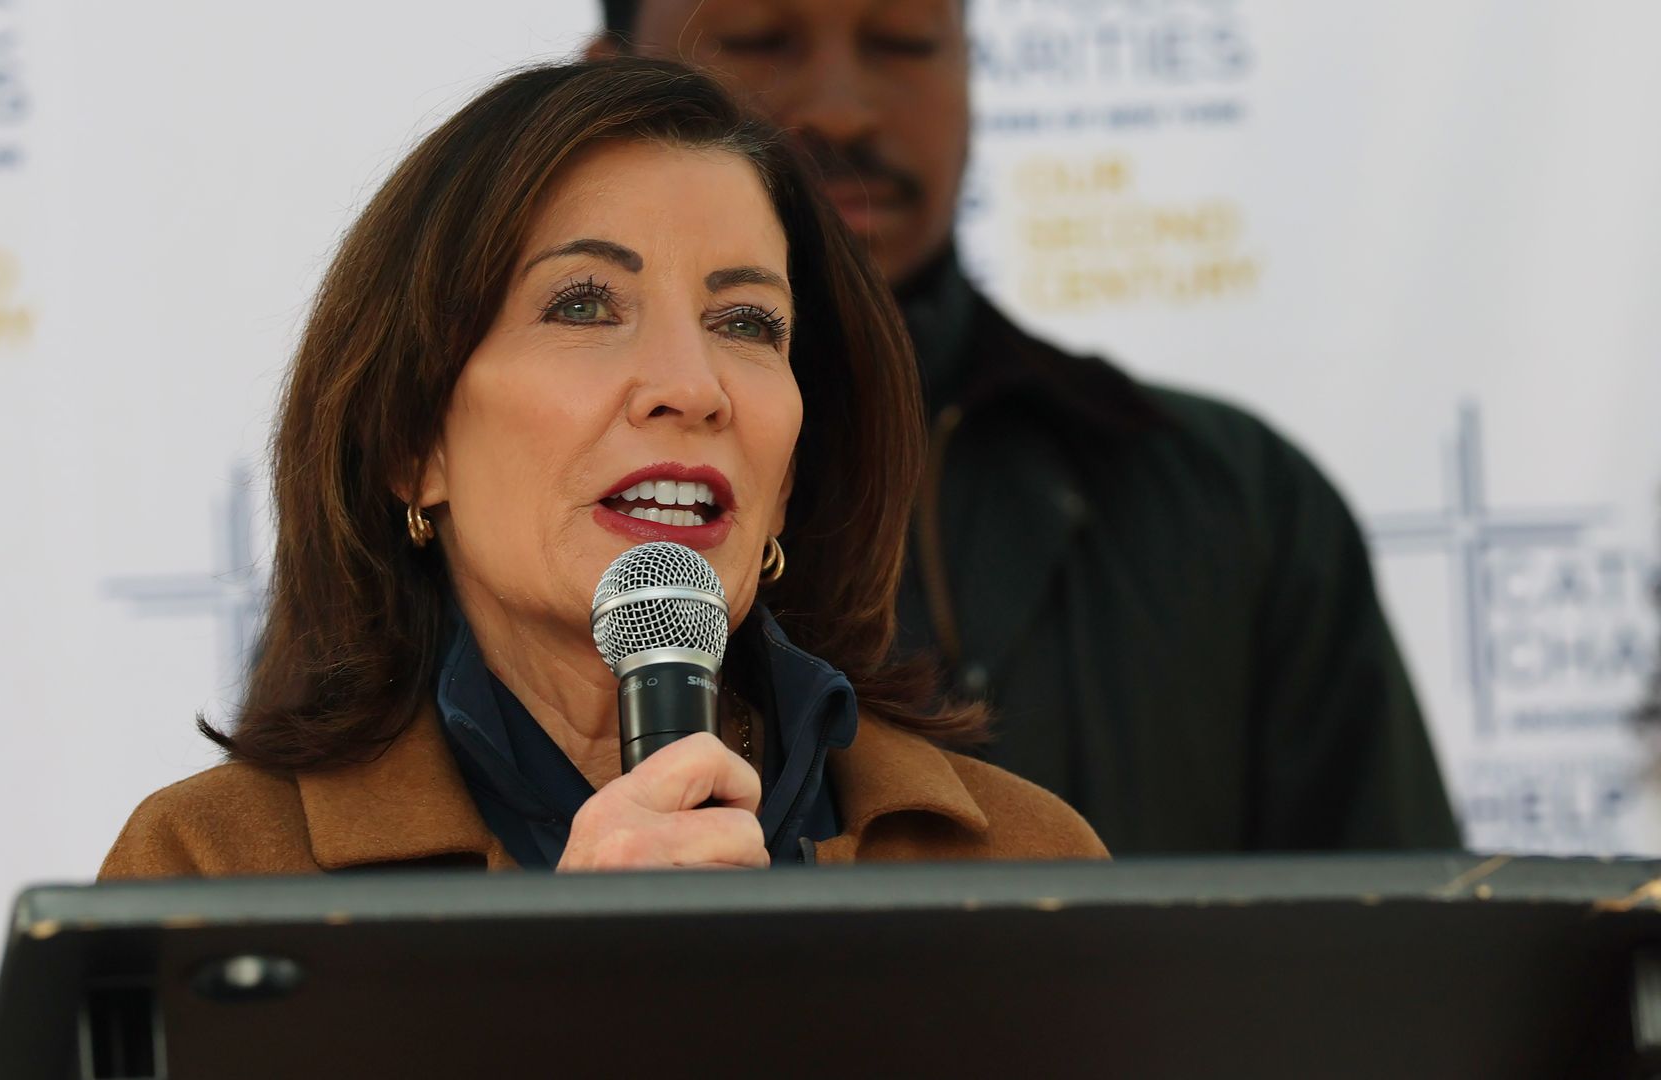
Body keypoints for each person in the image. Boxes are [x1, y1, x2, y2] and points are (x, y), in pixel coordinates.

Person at [99, 58, 1107, 878]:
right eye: (583, 305)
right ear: (414, 442)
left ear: (790, 472)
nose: (692, 385)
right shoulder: (213, 873)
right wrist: (568, 990)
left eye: (747, 322)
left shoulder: (1022, 861)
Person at [594, 0, 1461, 853]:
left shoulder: (1238, 501)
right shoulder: (517, 515)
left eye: (902, 43)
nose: (840, 109)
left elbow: (1398, 958)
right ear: (605, 82)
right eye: (759, 41)